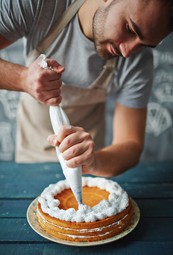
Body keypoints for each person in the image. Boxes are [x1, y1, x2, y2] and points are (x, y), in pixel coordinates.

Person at [0, 0, 172, 177]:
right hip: (30, 159)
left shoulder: (137, 60)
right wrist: (22, 79)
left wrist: (94, 162)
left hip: (86, 168)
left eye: (144, 44)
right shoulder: (38, 4)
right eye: (129, 29)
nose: (127, 51)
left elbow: (130, 144)